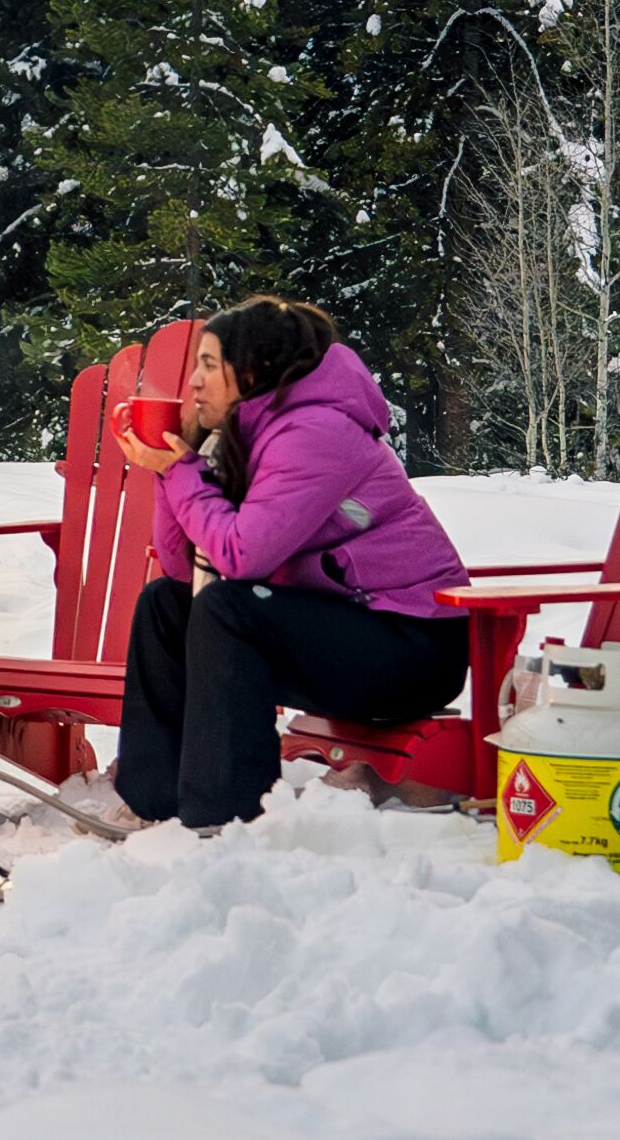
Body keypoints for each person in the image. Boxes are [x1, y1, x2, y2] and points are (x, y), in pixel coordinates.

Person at [111, 295, 471, 830]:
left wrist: (186, 474)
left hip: (410, 645)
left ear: (252, 368)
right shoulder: (248, 435)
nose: (194, 383)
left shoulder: (316, 432)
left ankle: (225, 813)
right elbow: (183, 571)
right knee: (165, 604)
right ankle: (155, 800)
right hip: (336, 629)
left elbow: (242, 556)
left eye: (209, 365)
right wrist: (173, 468)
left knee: (232, 608)